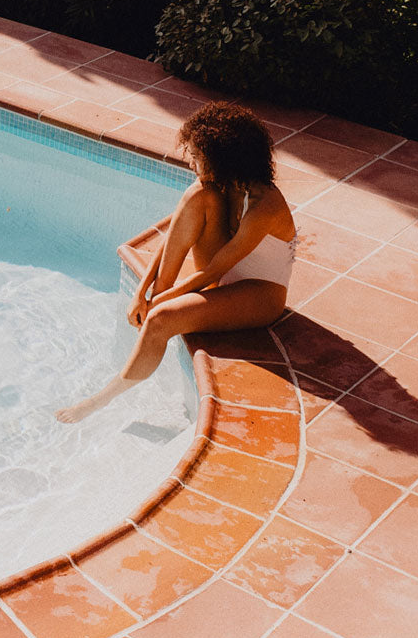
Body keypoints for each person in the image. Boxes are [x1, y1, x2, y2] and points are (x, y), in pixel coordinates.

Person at [57, 102, 296, 424]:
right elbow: (175, 237)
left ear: (224, 159)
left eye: (198, 156)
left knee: (161, 318)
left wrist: (158, 303)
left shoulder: (264, 206)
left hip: (260, 293)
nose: (192, 162)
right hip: (225, 277)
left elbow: (214, 270)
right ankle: (145, 335)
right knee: (197, 194)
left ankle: (101, 400)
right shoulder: (221, 188)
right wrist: (142, 292)